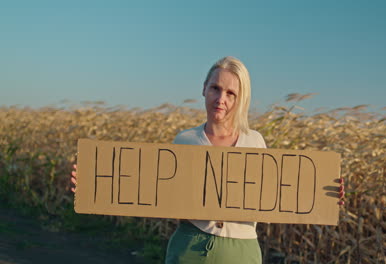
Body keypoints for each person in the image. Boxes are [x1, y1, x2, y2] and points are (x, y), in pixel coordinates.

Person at [70, 56, 345, 263]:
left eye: (230, 93)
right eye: (215, 88)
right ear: (203, 89)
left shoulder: (255, 142)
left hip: (242, 251)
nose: (221, 99)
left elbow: (277, 193)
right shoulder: (185, 140)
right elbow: (152, 188)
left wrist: (324, 194)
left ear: (241, 99)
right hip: (189, 247)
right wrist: (92, 183)